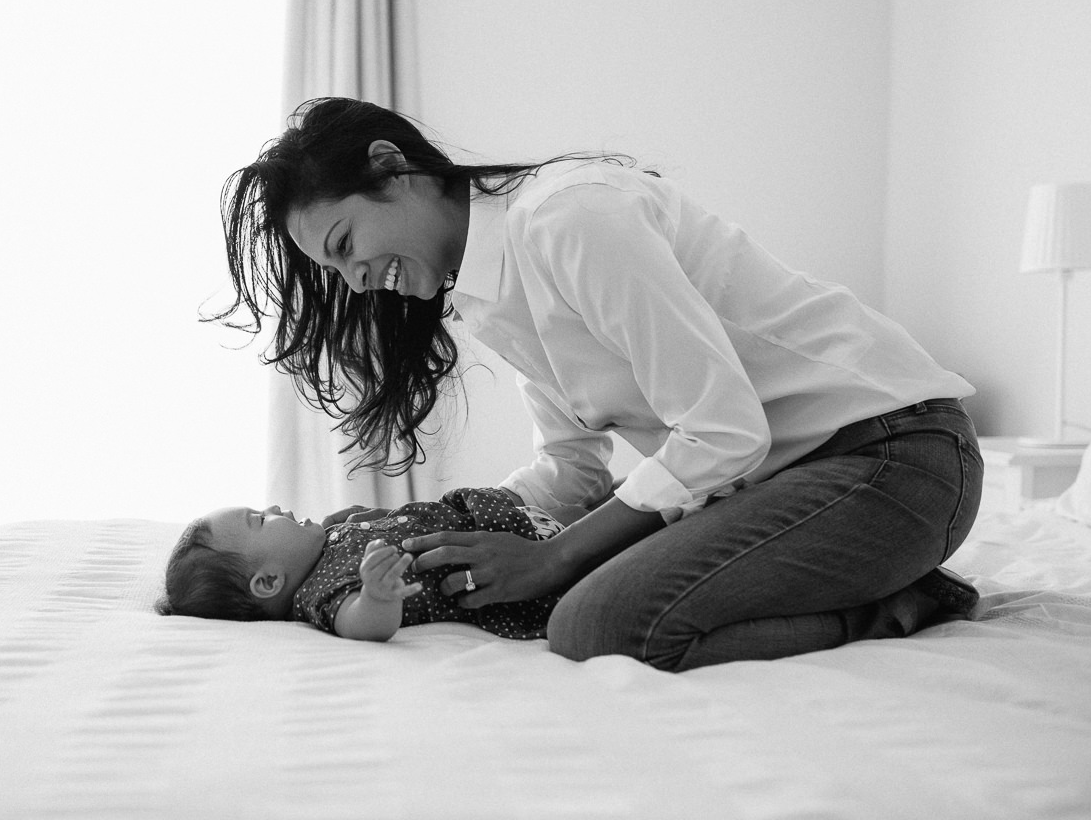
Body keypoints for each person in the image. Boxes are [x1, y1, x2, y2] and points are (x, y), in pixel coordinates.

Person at [209, 95, 983, 671]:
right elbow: (573, 468)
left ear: (391, 167)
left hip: (894, 457)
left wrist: (556, 558)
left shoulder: (569, 219)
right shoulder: (484, 293)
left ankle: (899, 601)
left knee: (595, 627)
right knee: (570, 607)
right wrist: (447, 533)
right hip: (785, 484)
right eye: (334, 271)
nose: (356, 281)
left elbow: (723, 430)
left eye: (346, 244)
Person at [156, 488, 576, 641]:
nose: (275, 506)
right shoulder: (319, 595)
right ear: (268, 582)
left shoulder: (319, 547)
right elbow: (362, 622)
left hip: (505, 522)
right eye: (261, 519)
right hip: (528, 567)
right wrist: (377, 594)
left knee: (602, 508)